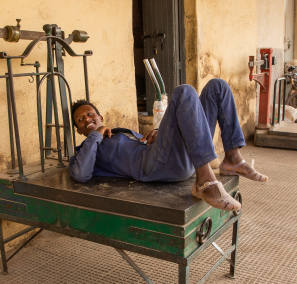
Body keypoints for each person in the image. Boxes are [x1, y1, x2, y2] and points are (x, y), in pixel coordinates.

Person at [69, 79, 268, 212]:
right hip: (155, 167)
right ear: (79, 131)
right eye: (80, 120)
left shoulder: (119, 132)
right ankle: (204, 182)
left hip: (172, 156)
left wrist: (157, 135)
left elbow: (144, 144)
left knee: (217, 87)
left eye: (90, 114)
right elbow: (80, 174)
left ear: (101, 117)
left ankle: (232, 159)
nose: (87, 119)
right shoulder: (84, 152)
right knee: (184, 91)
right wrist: (95, 135)